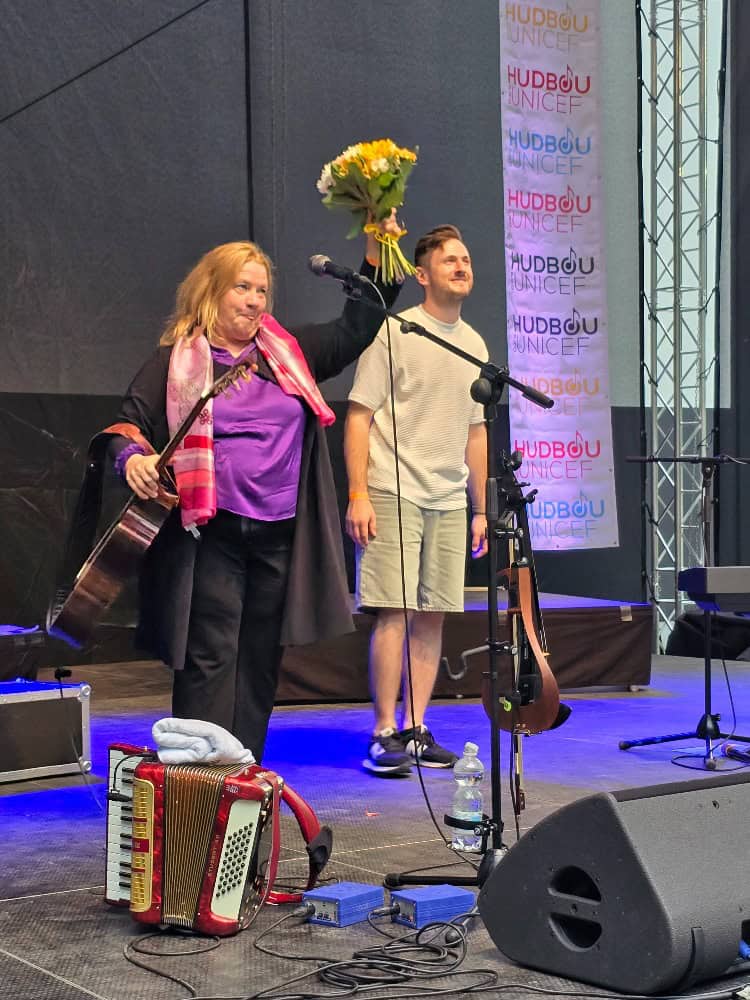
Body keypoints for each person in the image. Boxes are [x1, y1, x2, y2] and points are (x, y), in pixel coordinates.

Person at [105, 221, 400, 762]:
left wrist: (379, 253)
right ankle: (199, 785)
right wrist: (135, 460)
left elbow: (358, 326)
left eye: (262, 290)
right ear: (212, 291)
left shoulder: (288, 352)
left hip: (278, 534)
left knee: (259, 661)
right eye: (242, 287)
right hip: (211, 533)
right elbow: (128, 427)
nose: (254, 299)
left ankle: (243, 779)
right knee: (211, 656)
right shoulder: (176, 361)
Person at [344, 224, 489, 776]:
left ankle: (417, 727)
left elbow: (476, 432)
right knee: (396, 611)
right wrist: (359, 494)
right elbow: (359, 416)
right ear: (422, 275)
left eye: (466, 259)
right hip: (393, 488)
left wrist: (480, 508)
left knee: (433, 618)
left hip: (449, 498)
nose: (462, 266)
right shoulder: (396, 332)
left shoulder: (474, 344)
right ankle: (384, 731)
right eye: (450, 260)